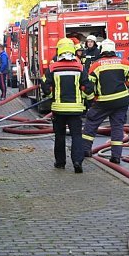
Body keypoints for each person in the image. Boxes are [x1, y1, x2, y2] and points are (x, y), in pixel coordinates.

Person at [81, 39, 129, 163]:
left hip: (103, 101)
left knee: (91, 122)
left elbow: (89, 86)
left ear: (102, 50)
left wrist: (92, 98)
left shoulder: (96, 65)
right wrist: (127, 85)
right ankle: (116, 157)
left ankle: (85, 150)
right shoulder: (123, 62)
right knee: (117, 127)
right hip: (121, 100)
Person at [41, 38, 86, 173]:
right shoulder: (80, 67)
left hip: (58, 109)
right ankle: (77, 162)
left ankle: (60, 162)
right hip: (76, 109)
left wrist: (51, 95)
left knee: (59, 136)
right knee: (77, 136)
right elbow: (87, 87)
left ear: (59, 50)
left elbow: (45, 87)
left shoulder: (52, 68)